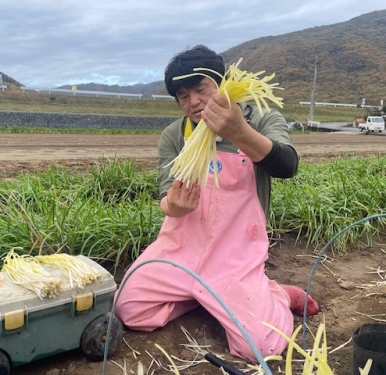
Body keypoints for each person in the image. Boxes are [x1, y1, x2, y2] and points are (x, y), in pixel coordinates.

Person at [114, 45, 319, 362]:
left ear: (222, 83)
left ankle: (276, 294)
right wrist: (175, 207)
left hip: (234, 254)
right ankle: (202, 294)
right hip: (180, 248)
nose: (193, 102)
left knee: (260, 347)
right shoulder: (175, 135)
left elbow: (287, 166)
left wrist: (239, 132)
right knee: (127, 308)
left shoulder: (260, 119)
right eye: (183, 96)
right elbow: (165, 198)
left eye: (200, 89)